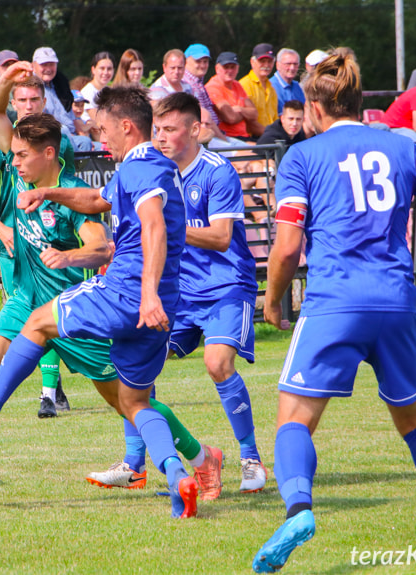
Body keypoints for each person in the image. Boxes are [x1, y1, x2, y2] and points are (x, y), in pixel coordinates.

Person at [251, 49, 416, 573]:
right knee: (415, 421)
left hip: (335, 303)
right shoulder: (405, 149)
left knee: (294, 421)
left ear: (314, 106)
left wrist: (272, 298)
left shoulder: (302, 157)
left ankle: (300, 509)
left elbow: (285, 248)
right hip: (396, 303)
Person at [0, 84, 202, 518]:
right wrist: (46, 193)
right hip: (103, 298)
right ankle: (190, 470)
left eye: (105, 130)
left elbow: (146, 228)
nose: (101, 139)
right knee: (132, 401)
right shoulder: (146, 168)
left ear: (127, 127)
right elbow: (99, 199)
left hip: (124, 294)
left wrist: (139, 288)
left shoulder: (141, 167)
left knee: (119, 395)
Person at [89, 93, 267, 497]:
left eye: (170, 129)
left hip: (226, 287)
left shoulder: (217, 172)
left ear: (196, 130)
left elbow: (222, 238)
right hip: (179, 291)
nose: (162, 137)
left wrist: (162, 227)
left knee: (217, 363)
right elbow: (101, 201)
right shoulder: (151, 168)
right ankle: (134, 464)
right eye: (158, 129)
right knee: (136, 364)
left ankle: (251, 457)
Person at [0, 72, 73, 420]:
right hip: (15, 252)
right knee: (20, 327)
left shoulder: (58, 145)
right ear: (14, 104)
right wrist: (2, 229)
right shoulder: (4, 145)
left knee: (126, 393)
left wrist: (79, 251)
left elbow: (79, 211)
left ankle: (49, 388)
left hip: (54, 255)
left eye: (34, 100)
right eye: (22, 100)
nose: (28, 107)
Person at [32, 47, 92, 152]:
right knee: (66, 133)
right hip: (50, 138)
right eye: (44, 64)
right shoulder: (32, 87)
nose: (48, 69)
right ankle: (72, 168)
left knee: (92, 144)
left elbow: (74, 120)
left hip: (72, 137)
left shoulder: (61, 85)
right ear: (33, 66)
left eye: (51, 64)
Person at [205, 52, 257, 142]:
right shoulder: (213, 87)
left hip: (244, 136)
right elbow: (230, 118)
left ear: (237, 69)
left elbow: (254, 114)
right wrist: (245, 113)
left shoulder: (237, 84)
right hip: (227, 137)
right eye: (226, 67)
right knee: (263, 152)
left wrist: (240, 109)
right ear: (217, 68)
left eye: (233, 67)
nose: (230, 71)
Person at [240, 43, 279, 137]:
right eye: (262, 61)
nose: (266, 65)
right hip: (252, 138)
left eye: (269, 61)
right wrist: (270, 135)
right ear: (252, 62)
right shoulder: (244, 84)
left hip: (269, 137)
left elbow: (275, 118)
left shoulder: (271, 88)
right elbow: (247, 122)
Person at [79, 51, 115, 126]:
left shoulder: (110, 91)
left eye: (109, 69)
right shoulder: (88, 92)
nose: (105, 72)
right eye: (102, 68)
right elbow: (99, 122)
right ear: (93, 70)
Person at [270, 49, 305, 114]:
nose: (292, 68)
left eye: (295, 64)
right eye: (288, 64)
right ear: (278, 65)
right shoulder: (271, 87)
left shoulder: (297, 86)